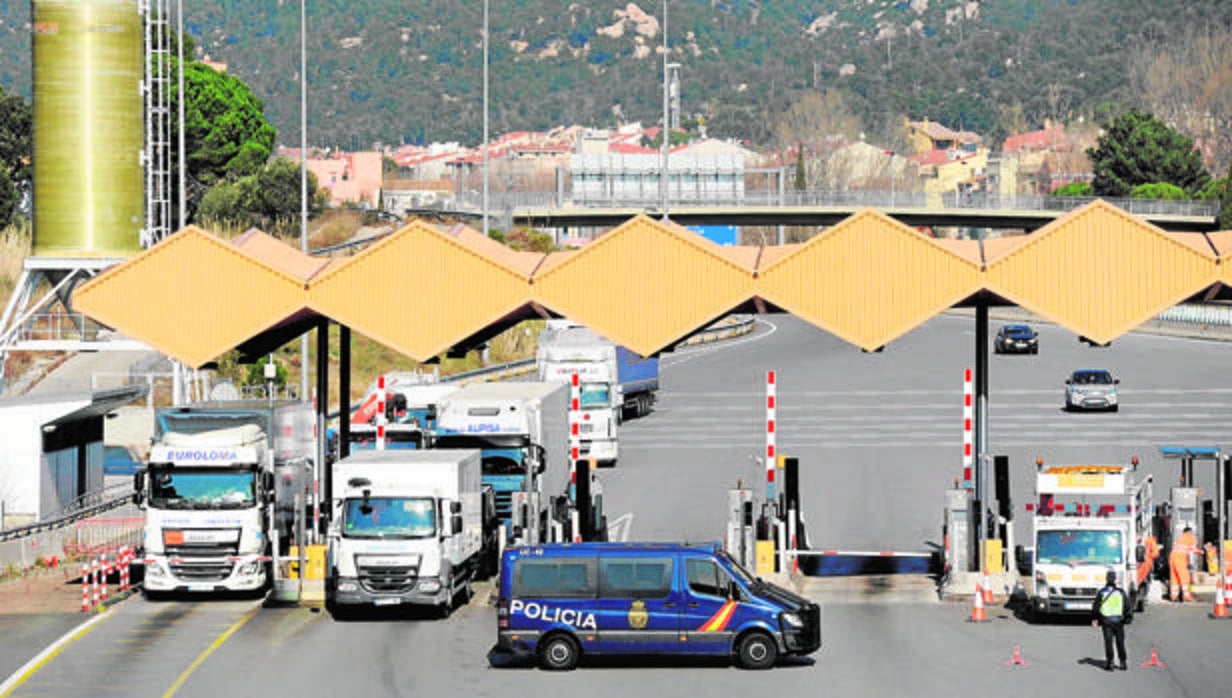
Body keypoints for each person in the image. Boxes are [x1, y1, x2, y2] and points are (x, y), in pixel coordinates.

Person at [1091, 569, 1131, 671]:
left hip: (1106, 621)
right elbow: (1127, 606)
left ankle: (1110, 663)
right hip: (1118, 621)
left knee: (1108, 642)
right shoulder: (1120, 592)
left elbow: (1096, 606)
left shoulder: (1102, 592)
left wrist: (1095, 618)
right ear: (1115, 579)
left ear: (1106, 579)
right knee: (1120, 642)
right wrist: (1127, 617)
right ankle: (1123, 662)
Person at [1169, 526, 1199, 602]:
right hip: (1180, 558)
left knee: (1174, 577)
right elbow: (1192, 550)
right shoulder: (1190, 537)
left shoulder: (1180, 538)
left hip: (1172, 557)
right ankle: (1186, 596)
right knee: (1184, 577)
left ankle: (1174, 596)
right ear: (1190, 532)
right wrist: (1201, 552)